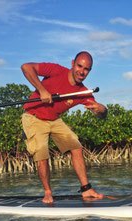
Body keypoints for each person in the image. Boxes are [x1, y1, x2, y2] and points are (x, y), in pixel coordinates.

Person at [21, 51, 107, 204]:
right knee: (41, 152)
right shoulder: (55, 70)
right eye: (79, 66)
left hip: (54, 119)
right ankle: (48, 193)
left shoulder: (83, 92)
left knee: (76, 145)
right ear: (73, 63)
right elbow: (26, 67)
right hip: (33, 116)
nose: (82, 71)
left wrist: (102, 110)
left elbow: (100, 115)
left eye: (86, 69)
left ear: (89, 71)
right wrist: (41, 90)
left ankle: (86, 189)